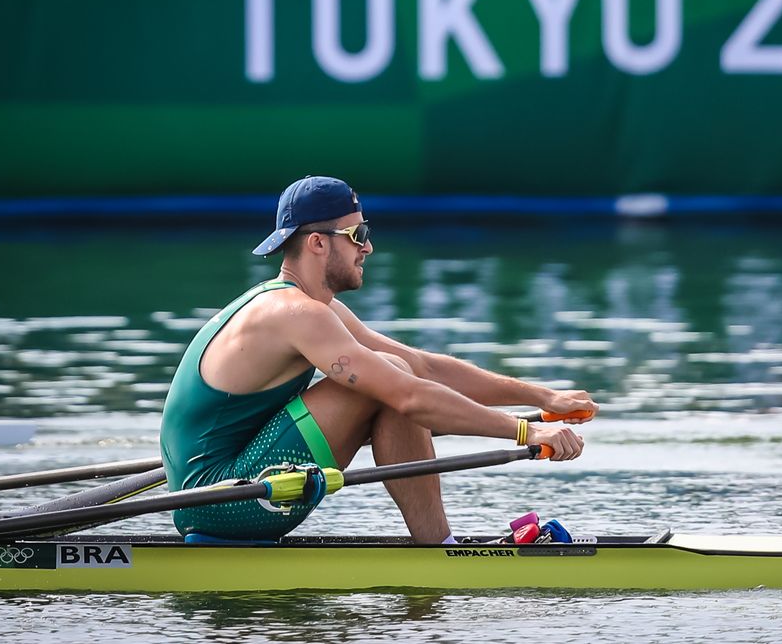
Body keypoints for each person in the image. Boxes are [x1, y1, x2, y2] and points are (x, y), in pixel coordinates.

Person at [159, 176, 596, 542]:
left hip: (231, 487)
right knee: (393, 386)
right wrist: (526, 430)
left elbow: (423, 367)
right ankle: (441, 552)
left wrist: (544, 396)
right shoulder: (295, 314)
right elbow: (408, 392)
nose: (367, 248)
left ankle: (438, 548)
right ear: (316, 243)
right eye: (358, 236)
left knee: (397, 373)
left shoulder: (312, 309)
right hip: (218, 502)